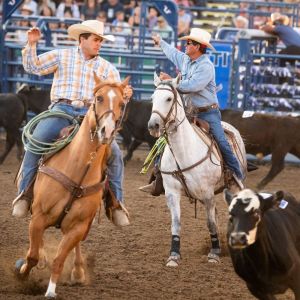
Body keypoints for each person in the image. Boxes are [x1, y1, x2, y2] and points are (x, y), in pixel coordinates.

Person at [12, 20, 132, 226]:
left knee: (115, 154)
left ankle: (115, 203)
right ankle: (25, 193)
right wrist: (31, 44)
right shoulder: (62, 55)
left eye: (101, 41)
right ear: (82, 39)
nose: (99, 44)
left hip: (91, 115)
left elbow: (116, 97)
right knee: (36, 140)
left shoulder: (107, 68)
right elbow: (32, 66)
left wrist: (125, 94)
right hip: (62, 110)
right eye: (96, 39)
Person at [139, 28, 244, 193]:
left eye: (189, 43)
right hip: (189, 112)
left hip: (208, 113)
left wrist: (171, 82)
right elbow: (173, 53)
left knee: (221, 140)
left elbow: (193, 86)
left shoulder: (206, 66)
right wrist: (160, 42)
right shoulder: (186, 59)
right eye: (187, 42)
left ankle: (237, 176)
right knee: (165, 139)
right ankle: (158, 178)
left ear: (198, 46)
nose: (186, 45)